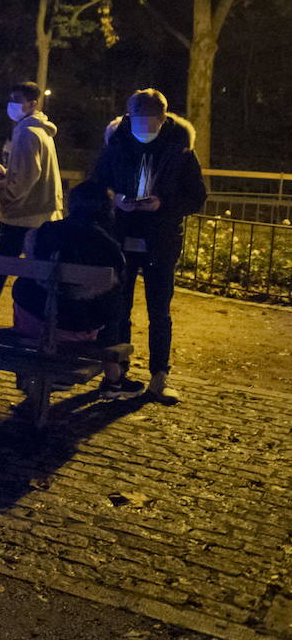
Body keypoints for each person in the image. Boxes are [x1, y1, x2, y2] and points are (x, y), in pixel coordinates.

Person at [91, 88, 207, 405]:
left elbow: (196, 196)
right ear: (129, 118)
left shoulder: (180, 146)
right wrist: (116, 200)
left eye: (150, 122)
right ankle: (117, 375)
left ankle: (159, 377)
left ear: (162, 118)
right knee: (119, 310)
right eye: (138, 121)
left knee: (160, 312)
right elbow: (96, 185)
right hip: (122, 237)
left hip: (161, 240)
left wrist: (163, 204)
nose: (144, 128)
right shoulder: (116, 142)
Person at [11, 180, 142, 399]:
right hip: (72, 330)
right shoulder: (108, 248)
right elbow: (111, 311)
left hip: (31, 322)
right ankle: (114, 379)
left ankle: (38, 372)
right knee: (111, 312)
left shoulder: (45, 232)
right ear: (106, 210)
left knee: (30, 291)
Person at [0, 81, 63, 322]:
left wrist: (6, 196)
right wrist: (9, 173)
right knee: (33, 272)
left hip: (22, 215)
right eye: (11, 98)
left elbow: (26, 177)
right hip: (42, 214)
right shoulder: (41, 131)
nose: (12, 104)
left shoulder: (27, 133)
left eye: (17, 99)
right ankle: (34, 321)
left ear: (33, 103)